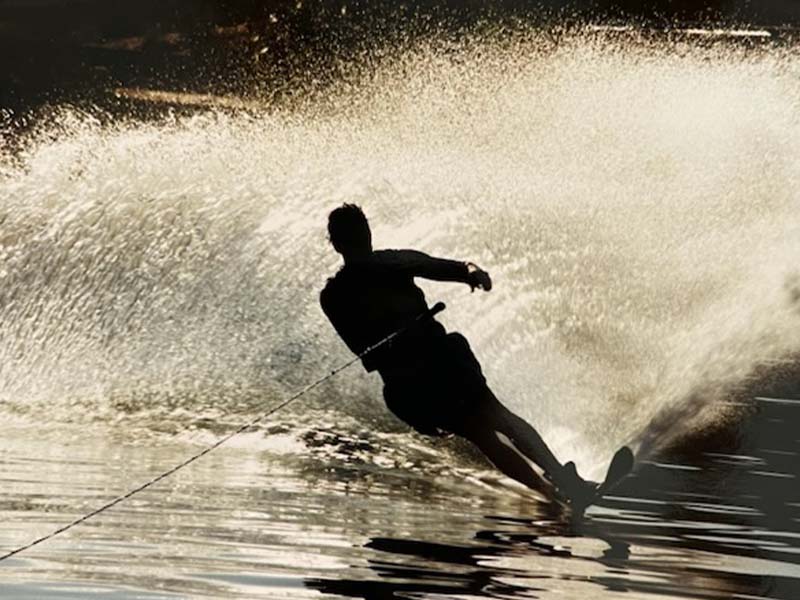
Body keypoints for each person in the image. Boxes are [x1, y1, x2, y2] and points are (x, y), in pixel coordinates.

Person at [320, 204, 595, 506]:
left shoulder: (392, 262)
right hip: (409, 381)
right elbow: (365, 353)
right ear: (338, 243)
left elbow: (442, 266)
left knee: (494, 421)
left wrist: (471, 272)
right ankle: (552, 492)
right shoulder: (334, 295)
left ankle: (562, 483)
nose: (362, 240)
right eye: (355, 235)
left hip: (442, 362)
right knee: (485, 430)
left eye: (362, 233)